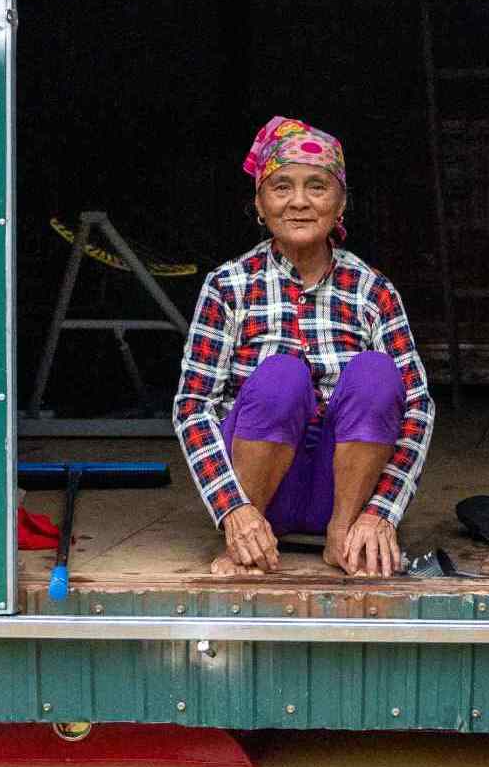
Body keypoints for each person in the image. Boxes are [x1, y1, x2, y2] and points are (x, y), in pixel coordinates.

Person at [172, 115, 434, 577]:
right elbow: (193, 408)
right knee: (281, 377)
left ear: (341, 202)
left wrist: (380, 515)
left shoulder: (373, 290)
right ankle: (248, 541)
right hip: (264, 495)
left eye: (317, 186)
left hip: (344, 493)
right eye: (281, 187)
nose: (298, 202)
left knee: (376, 373)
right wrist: (233, 509)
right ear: (259, 203)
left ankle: (342, 536)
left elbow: (417, 410)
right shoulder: (229, 286)